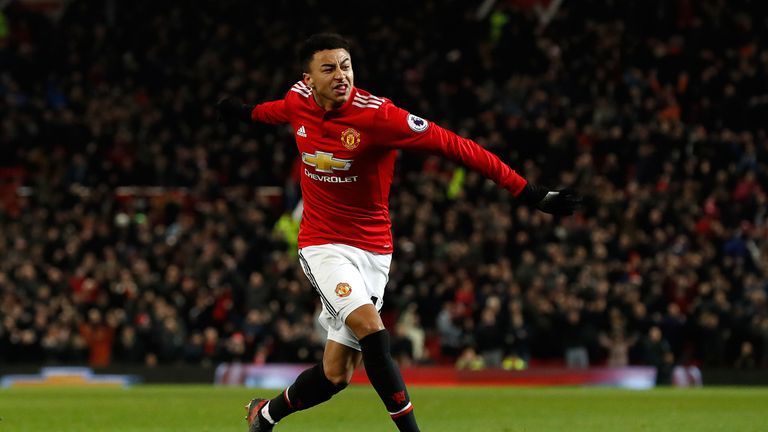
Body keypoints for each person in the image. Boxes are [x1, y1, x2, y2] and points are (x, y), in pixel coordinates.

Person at [218, 32, 581, 432]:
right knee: (373, 330)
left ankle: (264, 415)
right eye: (329, 68)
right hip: (323, 245)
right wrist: (245, 112)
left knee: (335, 376)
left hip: (373, 251)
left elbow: (455, 145)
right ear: (308, 79)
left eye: (346, 65)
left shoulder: (379, 116)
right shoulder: (298, 100)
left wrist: (528, 192)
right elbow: (275, 111)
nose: (341, 75)